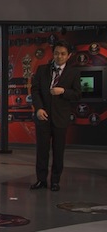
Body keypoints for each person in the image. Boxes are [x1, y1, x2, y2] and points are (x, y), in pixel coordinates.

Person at [30, 40, 81, 192]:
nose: (59, 56)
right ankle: (41, 180)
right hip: (43, 117)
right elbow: (35, 90)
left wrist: (63, 91)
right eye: (57, 53)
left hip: (60, 118)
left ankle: (55, 181)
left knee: (58, 152)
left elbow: (78, 94)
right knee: (42, 151)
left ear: (68, 56)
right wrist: (38, 108)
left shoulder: (73, 73)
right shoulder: (42, 70)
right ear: (53, 54)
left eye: (63, 54)